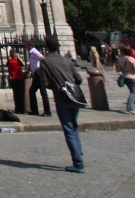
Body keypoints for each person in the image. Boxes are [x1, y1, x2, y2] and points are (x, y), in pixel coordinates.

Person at [39, 36, 86, 173]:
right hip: (74, 98)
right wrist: (71, 87)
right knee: (74, 127)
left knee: (69, 129)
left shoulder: (45, 62)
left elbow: (45, 83)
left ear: (46, 47)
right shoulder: (67, 61)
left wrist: (58, 87)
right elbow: (78, 78)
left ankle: (78, 163)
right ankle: (79, 158)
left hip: (61, 97)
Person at [26, 40, 51, 117]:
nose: (26, 48)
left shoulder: (34, 51)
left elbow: (42, 58)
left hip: (39, 75)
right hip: (36, 75)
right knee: (32, 91)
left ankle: (47, 111)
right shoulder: (31, 53)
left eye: (27, 46)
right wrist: (28, 71)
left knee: (42, 92)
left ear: (30, 45)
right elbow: (32, 63)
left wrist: (39, 68)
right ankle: (34, 110)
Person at [120, 49, 135, 115]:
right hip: (133, 77)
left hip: (126, 77)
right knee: (133, 92)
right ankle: (130, 107)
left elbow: (118, 69)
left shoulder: (120, 59)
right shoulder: (131, 59)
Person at [7, 48, 27, 114]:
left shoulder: (9, 61)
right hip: (19, 78)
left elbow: (7, 65)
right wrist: (19, 58)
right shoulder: (18, 61)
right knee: (21, 94)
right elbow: (23, 64)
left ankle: (17, 108)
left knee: (15, 94)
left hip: (13, 79)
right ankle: (22, 108)